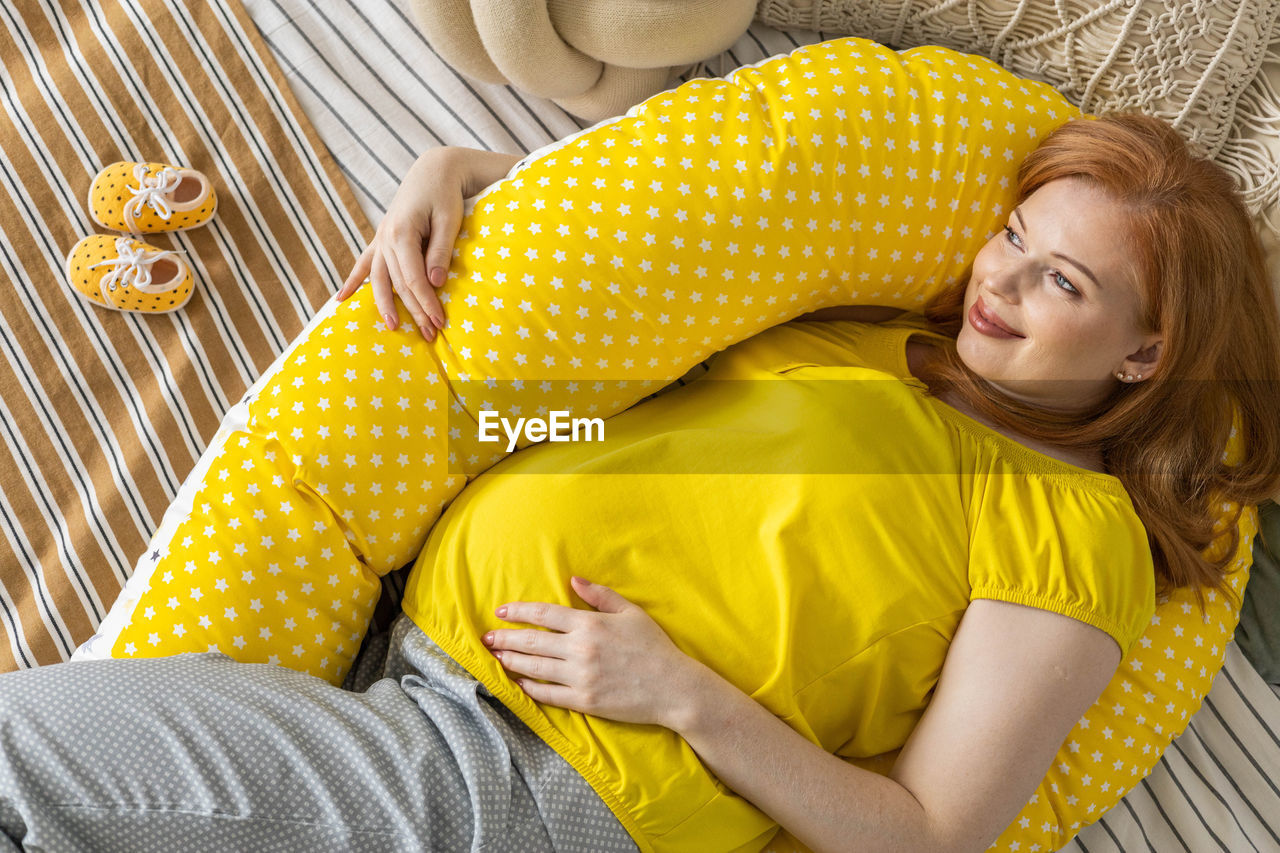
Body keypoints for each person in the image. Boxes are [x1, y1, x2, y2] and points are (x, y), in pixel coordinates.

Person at [2, 113, 1277, 853]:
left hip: (536, 784)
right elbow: (606, 344)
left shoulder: (1077, 534)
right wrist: (447, 177)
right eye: (1014, 236)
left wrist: (681, 695)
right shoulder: (868, 343)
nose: (997, 280)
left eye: (1062, 281)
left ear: (1145, 352)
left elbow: (930, 834)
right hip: (429, 687)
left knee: (25, 761)